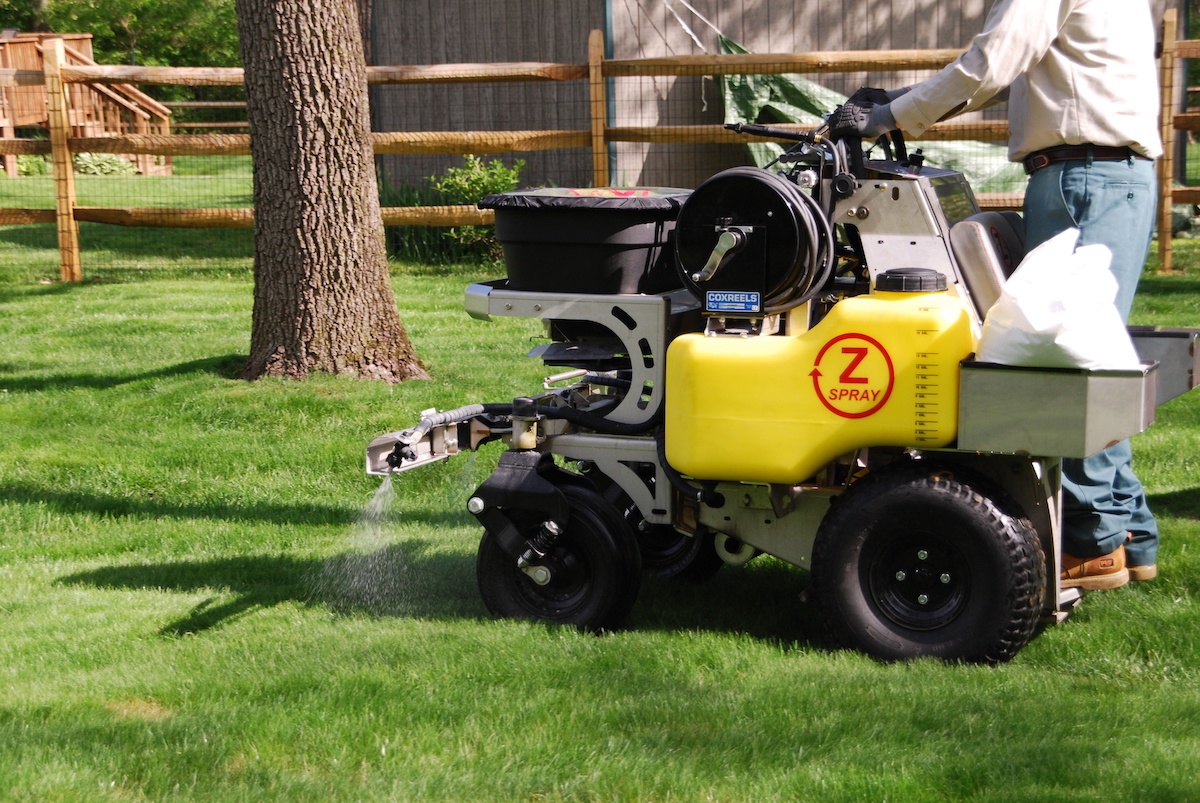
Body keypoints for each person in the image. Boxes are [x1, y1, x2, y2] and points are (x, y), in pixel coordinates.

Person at [830, 0, 1162, 590]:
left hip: (1082, 175)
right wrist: (903, 102)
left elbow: (990, 64)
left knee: (1066, 360)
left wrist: (887, 117)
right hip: (1117, 176)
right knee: (1097, 348)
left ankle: (1091, 543)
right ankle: (1128, 535)